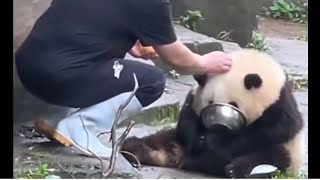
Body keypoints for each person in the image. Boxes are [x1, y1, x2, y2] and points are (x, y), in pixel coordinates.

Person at [15, 0, 232, 159]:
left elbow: (85, 17)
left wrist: (127, 41)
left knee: (114, 66)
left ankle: (58, 117)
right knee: (150, 81)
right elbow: (176, 58)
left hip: (29, 65)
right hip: (59, 75)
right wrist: (204, 63)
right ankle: (81, 126)